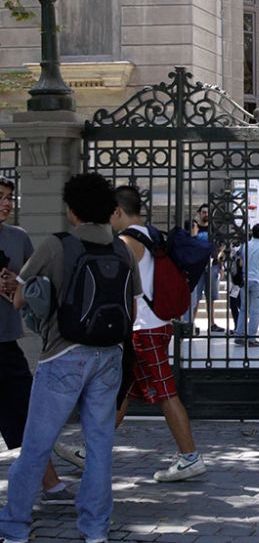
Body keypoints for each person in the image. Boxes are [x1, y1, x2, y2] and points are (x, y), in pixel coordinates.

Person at [0, 173, 142, 543]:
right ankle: (95, 529)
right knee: (99, 448)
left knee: (36, 445)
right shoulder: (122, 248)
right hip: (109, 356)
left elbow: (19, 299)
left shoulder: (56, 245)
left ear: (72, 210)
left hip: (63, 354)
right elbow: (131, 305)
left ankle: (14, 527)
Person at [110, 185, 209, 480]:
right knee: (122, 389)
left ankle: (190, 457)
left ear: (118, 211)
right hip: (156, 324)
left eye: (108, 215)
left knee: (165, 393)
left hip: (144, 327)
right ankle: (93, 449)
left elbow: (121, 287)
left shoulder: (126, 242)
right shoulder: (154, 234)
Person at [0, 177, 71, 505]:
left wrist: (17, 285)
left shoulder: (18, 238)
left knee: (28, 413)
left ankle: (51, 485)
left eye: (10, 197)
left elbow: (35, 285)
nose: (6, 203)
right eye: (1, 197)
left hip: (5, 341)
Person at [233, 220, 259, 347]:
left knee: (244, 308)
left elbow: (239, 261)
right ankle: (251, 338)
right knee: (256, 310)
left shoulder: (245, 246)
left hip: (245, 280)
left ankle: (239, 335)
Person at [185, 203, 223, 334]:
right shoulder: (194, 227)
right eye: (203, 212)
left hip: (212, 265)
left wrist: (220, 262)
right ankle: (191, 322)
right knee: (195, 296)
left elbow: (221, 245)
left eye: (208, 212)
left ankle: (212, 323)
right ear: (199, 213)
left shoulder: (214, 229)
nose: (206, 214)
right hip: (197, 266)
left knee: (211, 297)